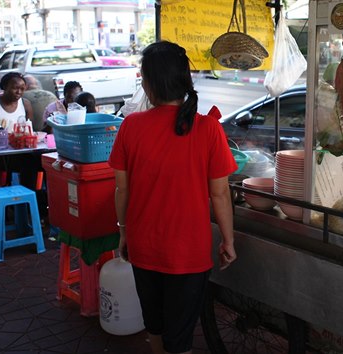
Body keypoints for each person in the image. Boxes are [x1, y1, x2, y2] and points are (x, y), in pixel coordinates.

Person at [108, 41, 237, 354]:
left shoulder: (131, 126)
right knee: (179, 340)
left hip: (143, 245)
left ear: (148, 85)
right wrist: (228, 241)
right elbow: (219, 193)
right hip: (187, 252)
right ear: (184, 82)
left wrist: (123, 231)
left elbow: (121, 190)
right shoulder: (208, 129)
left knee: (155, 326)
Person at [0, 72, 44, 202]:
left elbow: (30, 129)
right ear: (4, 87)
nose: (19, 92)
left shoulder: (25, 104)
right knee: (29, 164)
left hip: (21, 150)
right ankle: (26, 202)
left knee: (45, 162)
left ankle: (39, 201)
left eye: (22, 89)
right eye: (15, 88)